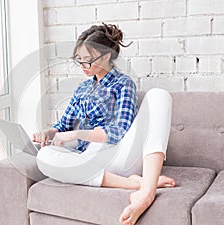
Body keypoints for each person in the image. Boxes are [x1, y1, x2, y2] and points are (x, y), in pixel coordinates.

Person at [32, 23, 176, 225]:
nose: (82, 65)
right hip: (90, 160)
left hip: (120, 155)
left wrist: (77, 134)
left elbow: (119, 131)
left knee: (159, 96)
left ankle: (146, 193)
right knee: (44, 156)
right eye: (78, 60)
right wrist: (49, 132)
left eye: (88, 60)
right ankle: (133, 184)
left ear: (106, 56)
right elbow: (63, 125)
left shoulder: (123, 83)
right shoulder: (82, 88)